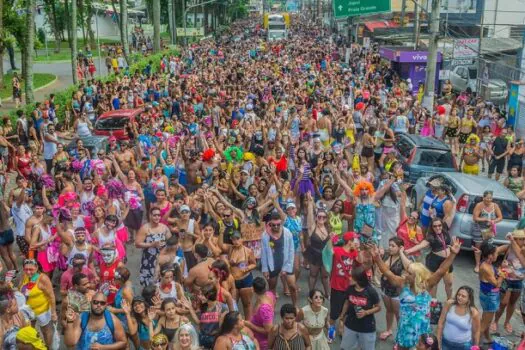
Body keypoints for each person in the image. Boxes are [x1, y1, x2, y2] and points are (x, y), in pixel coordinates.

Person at [371, 237, 462, 349]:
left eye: (409, 272)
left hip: (422, 333)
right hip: (405, 330)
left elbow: (441, 270)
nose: (404, 273)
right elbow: (387, 272)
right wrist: (377, 258)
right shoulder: (402, 284)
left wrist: (452, 254)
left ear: (417, 277)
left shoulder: (427, 285)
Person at [338, 266, 381, 350]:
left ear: (358, 280)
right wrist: (341, 318)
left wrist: (366, 312)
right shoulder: (350, 289)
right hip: (351, 324)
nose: (349, 278)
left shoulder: (370, 291)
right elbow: (346, 303)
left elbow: (378, 307)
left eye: (351, 277)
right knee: (345, 347)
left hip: (367, 327)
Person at [260, 211, 297, 306]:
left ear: (281, 223)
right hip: (272, 264)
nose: (276, 227)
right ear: (269, 223)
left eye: (278, 224)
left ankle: (295, 307)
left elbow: (291, 251)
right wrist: (264, 269)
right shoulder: (265, 235)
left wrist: (286, 267)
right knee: (272, 287)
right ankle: (271, 311)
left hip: (286, 262)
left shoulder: (287, 232)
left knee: (292, 286)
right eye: (273, 225)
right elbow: (263, 253)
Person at [19, 258, 56, 348]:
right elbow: (20, 288)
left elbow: (51, 296)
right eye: (26, 269)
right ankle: (34, 345)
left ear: (36, 268)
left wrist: (54, 312)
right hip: (28, 310)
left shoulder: (43, 278)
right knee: (29, 330)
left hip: (42, 311)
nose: (28, 272)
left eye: (31, 269)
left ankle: (48, 347)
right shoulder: (24, 276)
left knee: (46, 330)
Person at [436, 286, 480, 350]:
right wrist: (438, 341)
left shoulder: (473, 312)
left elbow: (476, 332)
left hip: (463, 346)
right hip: (445, 343)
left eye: (463, 296)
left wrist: (476, 346)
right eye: (458, 295)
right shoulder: (449, 304)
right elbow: (440, 322)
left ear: (469, 299)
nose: (459, 297)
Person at [472, 190, 503, 272]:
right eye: (487, 198)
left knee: (488, 247)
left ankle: (485, 263)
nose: (489, 200)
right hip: (479, 228)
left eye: (490, 198)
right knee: (478, 246)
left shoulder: (495, 205)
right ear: (483, 197)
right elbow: (475, 218)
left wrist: (493, 221)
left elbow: (500, 217)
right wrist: (485, 219)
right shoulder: (479, 205)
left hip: (489, 229)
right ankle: (477, 264)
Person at [245, 277, 275, 350]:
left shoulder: (264, 309)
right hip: (256, 338)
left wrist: (250, 325)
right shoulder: (270, 294)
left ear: (253, 289)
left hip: (262, 343)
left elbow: (268, 330)